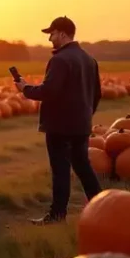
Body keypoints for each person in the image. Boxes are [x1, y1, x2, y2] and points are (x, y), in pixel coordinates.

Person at [16, 16, 103, 225]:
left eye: (52, 34)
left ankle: (57, 215)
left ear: (63, 34)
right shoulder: (89, 59)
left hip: (59, 126)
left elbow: (49, 91)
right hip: (81, 125)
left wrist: (25, 89)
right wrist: (85, 116)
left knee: (60, 171)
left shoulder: (60, 60)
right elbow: (97, 94)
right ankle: (103, 207)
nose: (50, 39)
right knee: (83, 167)